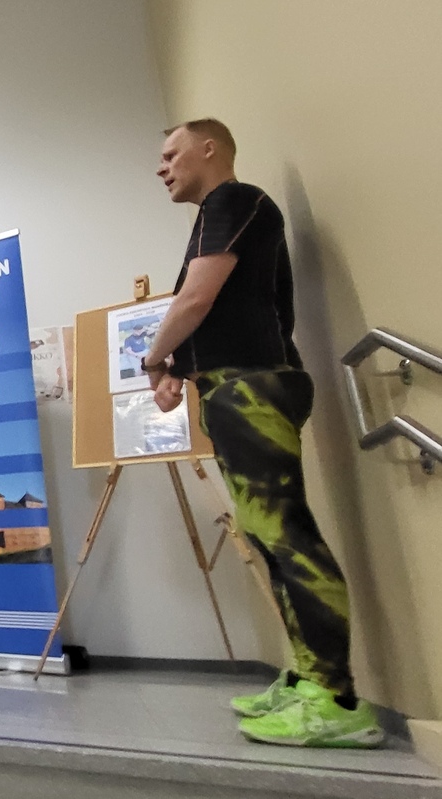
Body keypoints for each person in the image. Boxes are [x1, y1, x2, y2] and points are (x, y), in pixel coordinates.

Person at [144, 118, 382, 748]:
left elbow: (195, 300)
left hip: (250, 386)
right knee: (267, 535)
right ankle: (308, 679)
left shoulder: (233, 199)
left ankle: (338, 700)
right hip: (234, 385)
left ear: (210, 148)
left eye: (171, 153)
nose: (162, 167)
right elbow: (213, 310)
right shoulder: (222, 213)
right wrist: (179, 369)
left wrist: (153, 360)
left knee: (287, 535)